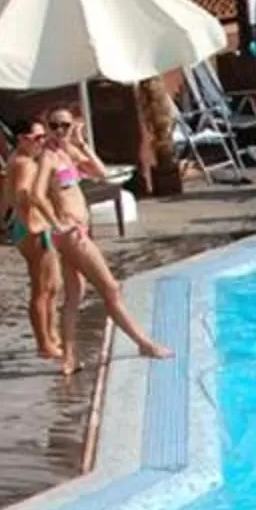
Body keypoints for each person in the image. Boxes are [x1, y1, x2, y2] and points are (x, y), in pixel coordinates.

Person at [31, 108, 175, 376]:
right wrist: (57, 222)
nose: (60, 130)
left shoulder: (68, 153)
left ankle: (69, 358)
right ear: (48, 127)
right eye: (55, 126)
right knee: (111, 289)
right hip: (71, 234)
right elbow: (36, 195)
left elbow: (99, 172)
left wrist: (82, 143)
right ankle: (144, 343)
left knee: (74, 295)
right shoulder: (48, 158)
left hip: (78, 230)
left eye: (65, 125)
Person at [0, 125, 65, 364]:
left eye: (43, 136)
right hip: (34, 228)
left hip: (29, 227)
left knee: (53, 285)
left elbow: (5, 194)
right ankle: (44, 343)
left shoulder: (15, 160)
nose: (41, 141)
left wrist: (2, 219)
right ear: (22, 139)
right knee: (42, 288)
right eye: (37, 138)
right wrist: (33, 223)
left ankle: (52, 334)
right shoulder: (25, 163)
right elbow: (22, 193)